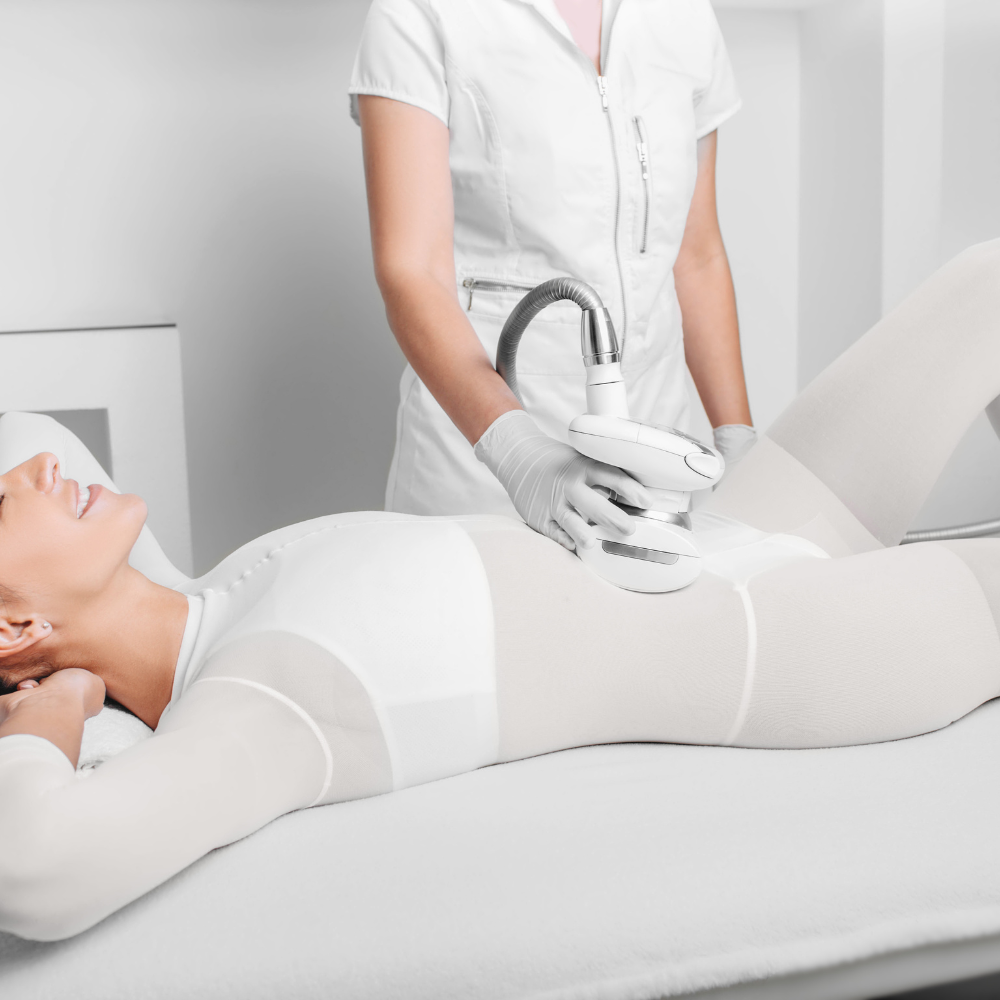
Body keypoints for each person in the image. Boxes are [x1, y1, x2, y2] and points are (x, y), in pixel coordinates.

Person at [2, 242, 1000, 943]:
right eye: (4, 500)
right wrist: (52, 713)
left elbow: (35, 431)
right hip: (789, 644)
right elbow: (37, 871)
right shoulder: (255, 705)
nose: (38, 470)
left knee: (987, 279)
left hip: (744, 526)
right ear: (16, 626)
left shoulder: (223, 588)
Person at [351, 0, 757, 552]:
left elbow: (695, 253)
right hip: (485, 463)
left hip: (657, 461)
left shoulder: (684, 14)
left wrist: (736, 437)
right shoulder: (419, 13)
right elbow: (412, 270)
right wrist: (518, 452)